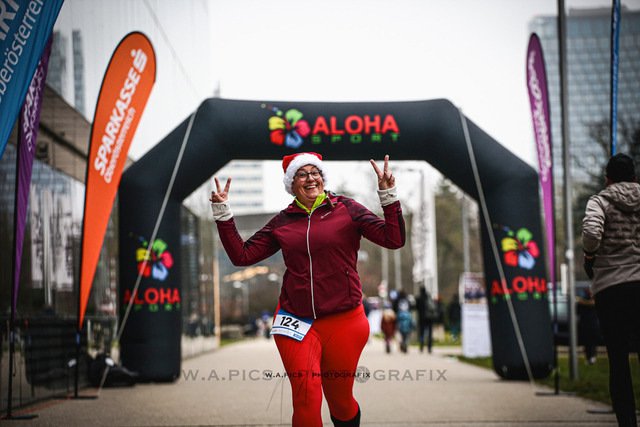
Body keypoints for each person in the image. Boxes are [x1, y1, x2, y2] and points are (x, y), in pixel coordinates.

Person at [210, 152, 405, 427]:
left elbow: (394, 239)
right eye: (302, 174)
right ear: (292, 183)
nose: (310, 178)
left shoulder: (348, 209)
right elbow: (242, 256)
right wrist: (223, 214)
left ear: (322, 178)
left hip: (343, 320)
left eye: (315, 173)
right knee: (306, 396)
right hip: (295, 317)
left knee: (340, 401)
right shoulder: (283, 222)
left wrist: (389, 197)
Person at [582, 153, 640, 427]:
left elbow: (592, 233)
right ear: (635, 178)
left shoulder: (599, 201)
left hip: (611, 289)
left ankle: (627, 422)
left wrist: (590, 256)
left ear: (607, 180)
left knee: (618, 361)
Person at [415, 286, 438, 353]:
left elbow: (416, 308)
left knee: (421, 332)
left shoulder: (419, 299)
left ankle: (422, 344)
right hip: (429, 318)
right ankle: (429, 346)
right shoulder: (429, 298)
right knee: (430, 333)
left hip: (422, 318)